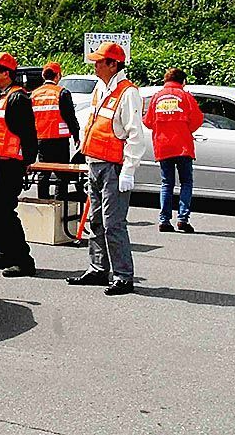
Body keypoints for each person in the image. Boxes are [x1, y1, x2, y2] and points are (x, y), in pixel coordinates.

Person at [67, 41, 145, 296]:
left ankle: (123, 275)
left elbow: (135, 135)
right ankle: (98, 268)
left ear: (113, 64)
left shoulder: (128, 92)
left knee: (113, 223)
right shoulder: (101, 89)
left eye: (100, 62)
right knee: (96, 220)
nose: (95, 66)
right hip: (96, 163)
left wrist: (129, 171)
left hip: (114, 167)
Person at [0, 52, 38, 278]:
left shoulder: (16, 98)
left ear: (6, 73)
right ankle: (1, 253)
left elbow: (28, 133)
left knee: (5, 212)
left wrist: (28, 161)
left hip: (9, 164)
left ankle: (23, 260)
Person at [143, 67, 203, 233]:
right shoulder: (185, 96)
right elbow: (198, 119)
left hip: (163, 146)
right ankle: (183, 218)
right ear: (182, 81)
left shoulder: (157, 97)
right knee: (186, 182)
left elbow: (148, 121)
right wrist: (184, 129)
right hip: (182, 146)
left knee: (166, 183)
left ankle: (164, 220)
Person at [29, 62, 80, 199]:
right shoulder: (62, 93)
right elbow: (70, 117)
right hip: (60, 141)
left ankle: (43, 203)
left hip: (41, 140)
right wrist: (76, 135)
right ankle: (60, 204)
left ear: (43, 75)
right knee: (62, 174)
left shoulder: (34, 95)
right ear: (58, 76)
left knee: (43, 173)